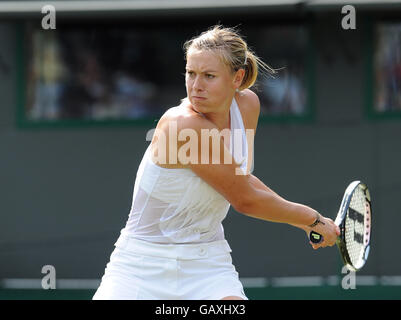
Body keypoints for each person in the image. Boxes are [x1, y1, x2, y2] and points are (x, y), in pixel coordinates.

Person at [92, 25, 340, 300]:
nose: (196, 86)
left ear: (238, 77)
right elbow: (244, 200)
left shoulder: (247, 106)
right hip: (141, 267)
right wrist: (312, 218)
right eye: (191, 74)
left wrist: (305, 223)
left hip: (206, 264)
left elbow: (237, 178)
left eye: (209, 76)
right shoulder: (183, 125)